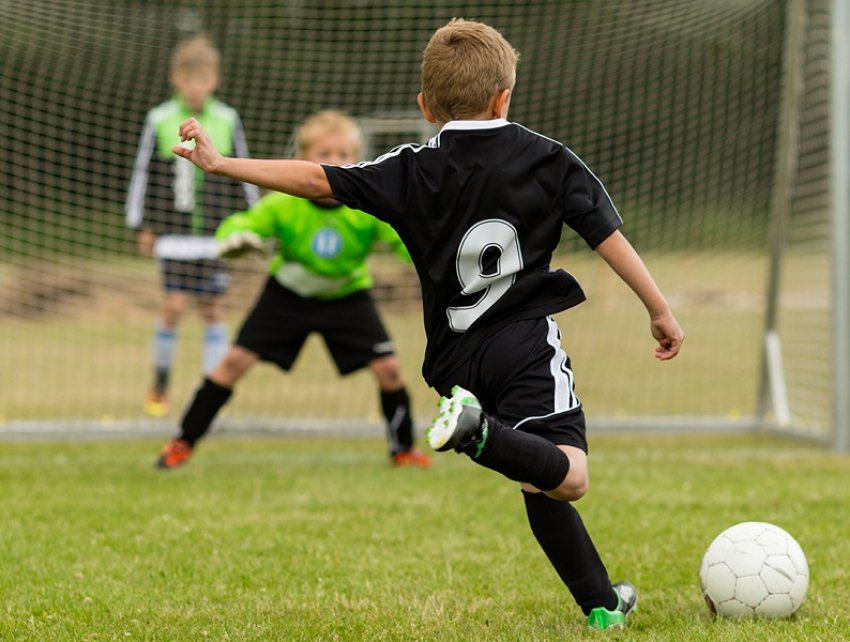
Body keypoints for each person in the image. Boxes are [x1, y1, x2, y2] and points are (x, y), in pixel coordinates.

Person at [168, 19, 684, 631]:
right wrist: (658, 308)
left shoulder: (410, 167)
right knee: (568, 475)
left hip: (452, 360)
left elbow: (314, 179)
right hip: (521, 344)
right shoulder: (549, 159)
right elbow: (607, 238)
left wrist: (222, 163)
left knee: (533, 476)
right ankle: (478, 433)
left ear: (425, 106)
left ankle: (601, 605)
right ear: (505, 95)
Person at [156, 110, 431, 470]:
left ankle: (403, 450)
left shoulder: (367, 206)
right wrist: (234, 240)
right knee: (233, 363)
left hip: (346, 296)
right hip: (287, 295)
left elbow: (408, 241)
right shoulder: (284, 202)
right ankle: (182, 443)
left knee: (390, 369)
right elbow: (238, 226)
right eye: (325, 154)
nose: (336, 162)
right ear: (302, 160)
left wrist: (431, 257)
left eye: (345, 154)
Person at [126, 33, 259, 417]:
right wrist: (142, 226)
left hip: (215, 237)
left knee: (214, 309)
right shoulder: (159, 119)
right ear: (176, 79)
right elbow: (143, 174)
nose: (196, 87)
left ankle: (208, 393)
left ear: (214, 80)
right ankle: (160, 384)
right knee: (173, 306)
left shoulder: (227, 119)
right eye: (189, 79)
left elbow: (244, 172)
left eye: (203, 79)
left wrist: (249, 224)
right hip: (173, 235)